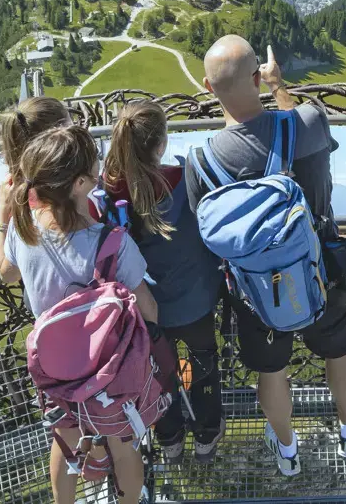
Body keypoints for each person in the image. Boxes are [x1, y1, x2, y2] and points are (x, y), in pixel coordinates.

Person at [185, 35, 346, 476]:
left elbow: (208, 233)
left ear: (206, 86)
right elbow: (300, 126)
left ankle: (287, 453)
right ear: (257, 76)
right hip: (321, 274)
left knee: (271, 370)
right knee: (338, 351)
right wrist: (277, 88)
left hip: (254, 291)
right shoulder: (306, 122)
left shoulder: (200, 163)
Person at [0, 126, 158, 504]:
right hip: (110, 371)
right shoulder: (112, 242)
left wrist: (3, 219)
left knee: (65, 443)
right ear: (82, 183)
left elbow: (6, 272)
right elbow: (148, 308)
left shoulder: (24, 233)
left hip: (56, 373)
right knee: (123, 444)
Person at [99, 101, 229, 461]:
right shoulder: (185, 177)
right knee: (203, 362)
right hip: (196, 297)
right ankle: (207, 432)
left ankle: (170, 438)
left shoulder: (111, 192)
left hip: (146, 308)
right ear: (161, 144)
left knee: (158, 373)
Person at [0, 96, 73, 250]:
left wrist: (2, 213)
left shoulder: (13, 190)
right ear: (59, 135)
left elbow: (6, 271)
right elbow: (7, 274)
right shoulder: (70, 184)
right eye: (71, 123)